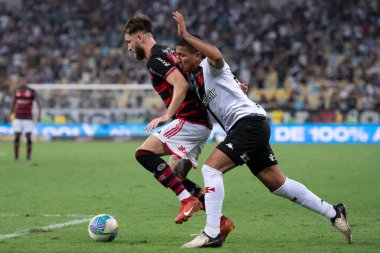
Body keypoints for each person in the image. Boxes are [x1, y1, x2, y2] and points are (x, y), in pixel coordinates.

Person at [172, 11, 352, 248]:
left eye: (184, 55)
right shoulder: (196, 79)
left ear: (198, 55)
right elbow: (226, 89)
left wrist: (185, 34)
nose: (180, 59)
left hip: (248, 124)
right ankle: (334, 212)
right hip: (251, 126)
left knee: (211, 169)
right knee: (278, 184)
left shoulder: (209, 65)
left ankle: (212, 232)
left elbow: (216, 54)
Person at [123, 14, 235, 239]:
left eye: (128, 42)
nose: (128, 48)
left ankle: (186, 199)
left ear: (140, 37)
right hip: (201, 122)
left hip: (190, 120)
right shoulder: (170, 53)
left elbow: (181, 85)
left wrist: (167, 115)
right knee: (174, 175)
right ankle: (220, 221)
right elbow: (198, 73)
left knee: (144, 153)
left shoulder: (156, 59)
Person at [9, 74, 42, 162]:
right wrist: (10, 114)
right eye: (21, 80)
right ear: (19, 80)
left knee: (28, 137)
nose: (23, 81)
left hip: (28, 117)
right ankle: (16, 158)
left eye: (24, 80)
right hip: (18, 117)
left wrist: (39, 114)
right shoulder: (16, 90)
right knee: (16, 136)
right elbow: (13, 103)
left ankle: (28, 157)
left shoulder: (31, 91)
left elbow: (38, 103)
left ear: (26, 80)